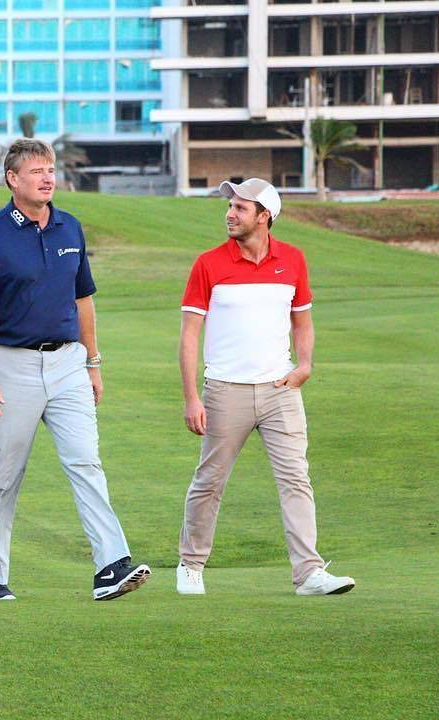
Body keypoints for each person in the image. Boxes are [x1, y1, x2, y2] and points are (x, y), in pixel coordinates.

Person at [0, 138, 150, 602]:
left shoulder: (70, 228)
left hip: (68, 364)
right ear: (12, 179)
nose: (48, 178)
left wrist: (93, 361)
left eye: (51, 169)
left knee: (86, 460)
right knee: (1, 477)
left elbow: (83, 299)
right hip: (8, 365)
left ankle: (110, 564)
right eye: (37, 170)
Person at [176, 178, 355, 596]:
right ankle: (190, 565)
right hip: (225, 390)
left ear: (264, 216)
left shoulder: (292, 260)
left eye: (241, 208)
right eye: (230, 206)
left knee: (296, 479)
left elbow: (302, 321)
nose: (230, 213)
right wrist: (191, 397)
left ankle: (309, 573)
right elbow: (189, 334)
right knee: (209, 481)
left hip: (280, 389)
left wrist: (305, 364)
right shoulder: (208, 263)